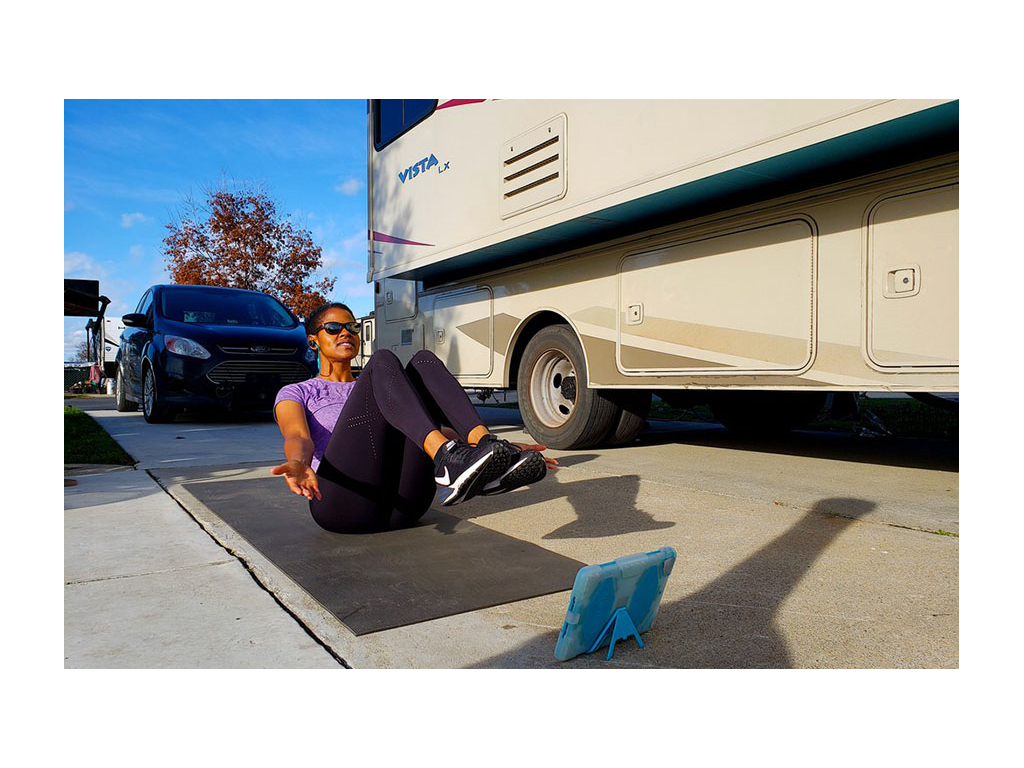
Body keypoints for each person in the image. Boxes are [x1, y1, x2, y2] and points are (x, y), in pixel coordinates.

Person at [272, 302, 555, 533]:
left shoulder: (389, 386)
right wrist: (298, 463)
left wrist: (504, 453)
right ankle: (446, 459)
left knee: (423, 361)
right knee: (383, 360)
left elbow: (428, 429)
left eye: (352, 327)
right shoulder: (300, 391)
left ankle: (485, 444)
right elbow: (297, 436)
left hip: (405, 506)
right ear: (313, 341)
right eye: (333, 328)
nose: (345, 333)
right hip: (344, 505)